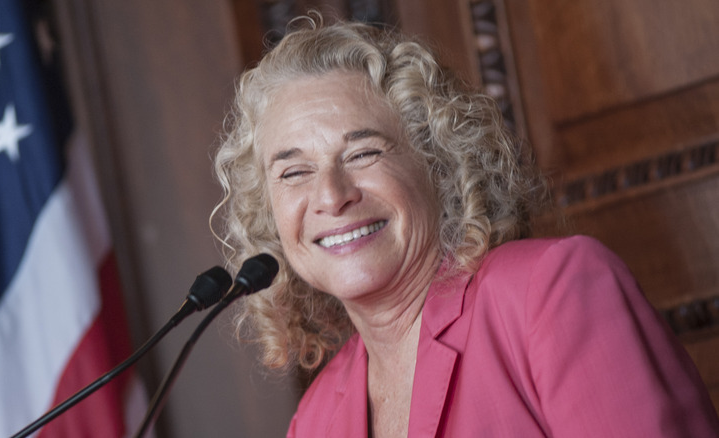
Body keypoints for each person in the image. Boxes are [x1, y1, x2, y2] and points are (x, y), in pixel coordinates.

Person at [211, 15, 719, 437]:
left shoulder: (551, 291)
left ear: (437, 165)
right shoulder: (316, 420)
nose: (331, 195)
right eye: (294, 172)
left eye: (363, 152)